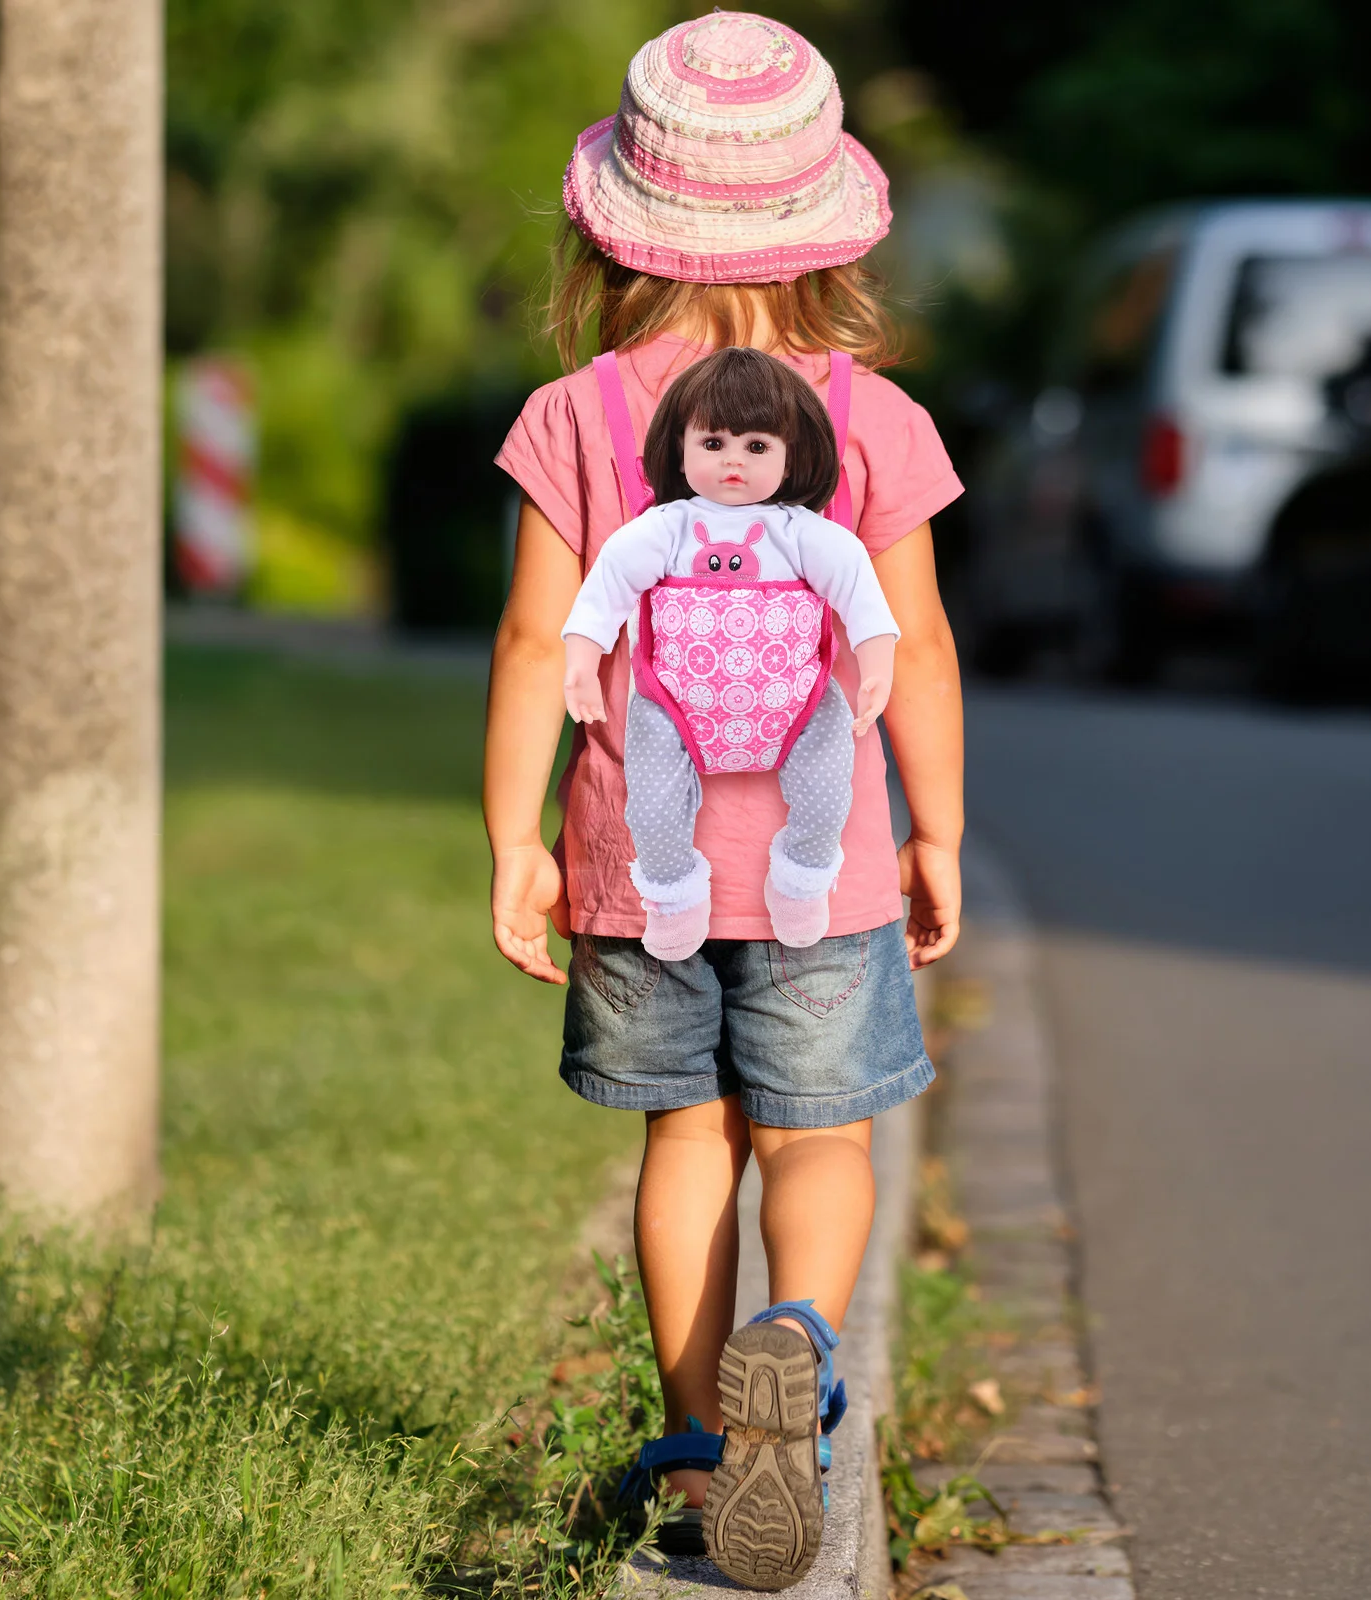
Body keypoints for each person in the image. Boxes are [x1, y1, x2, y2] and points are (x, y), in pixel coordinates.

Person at [484, 11, 963, 1586]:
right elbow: (921, 647)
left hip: (646, 863)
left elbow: (535, 639)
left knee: (688, 1138)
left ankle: (704, 1460)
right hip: (823, 872)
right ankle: (801, 1351)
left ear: (618, 229)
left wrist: (513, 842)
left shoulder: (582, 415)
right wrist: (936, 829)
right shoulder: (872, 419)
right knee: (820, 1143)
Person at [560, 346, 900, 960]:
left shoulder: (803, 533)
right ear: (680, 447)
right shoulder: (665, 529)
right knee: (654, 806)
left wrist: (878, 665)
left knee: (829, 784)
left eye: (757, 446)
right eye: (713, 443)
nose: (734, 462)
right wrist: (582, 660)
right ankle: (671, 894)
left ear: (793, 455)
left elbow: (860, 593)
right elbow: (605, 589)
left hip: (791, 701)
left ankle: (802, 871)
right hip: (674, 705)